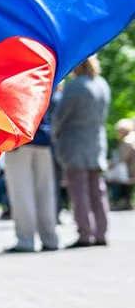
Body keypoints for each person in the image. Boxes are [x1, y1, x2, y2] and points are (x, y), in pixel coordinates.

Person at [53, 56, 111, 248]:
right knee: (98, 190)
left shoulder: (75, 86)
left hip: (75, 143)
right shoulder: (102, 84)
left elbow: (60, 116)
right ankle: (101, 232)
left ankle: (85, 233)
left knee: (79, 191)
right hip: (96, 142)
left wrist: (55, 135)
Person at [2, 100, 59, 253]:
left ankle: (26, 240)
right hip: (43, 135)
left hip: (17, 134)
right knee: (45, 192)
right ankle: (50, 237)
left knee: (21, 192)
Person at [108, 119, 135, 210]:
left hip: (131, 171)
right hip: (130, 169)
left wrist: (109, 165)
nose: (118, 133)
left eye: (119, 131)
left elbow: (121, 159)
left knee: (114, 179)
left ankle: (118, 202)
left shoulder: (128, 141)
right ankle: (126, 201)